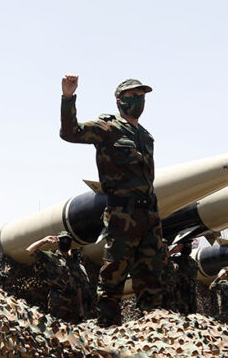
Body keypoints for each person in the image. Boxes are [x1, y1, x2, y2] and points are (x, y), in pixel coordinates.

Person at [60, 74, 163, 326]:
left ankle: (154, 332)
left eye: (142, 96)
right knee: (112, 281)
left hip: (149, 216)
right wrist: (68, 97)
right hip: (121, 216)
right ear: (120, 101)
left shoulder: (146, 136)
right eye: (134, 96)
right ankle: (108, 333)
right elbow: (70, 132)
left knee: (152, 281)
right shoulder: (108, 128)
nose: (140, 100)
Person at [25, 231, 90, 323]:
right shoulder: (51, 257)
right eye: (63, 240)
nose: (65, 242)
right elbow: (29, 250)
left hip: (73, 301)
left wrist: (80, 307)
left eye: (67, 240)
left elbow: (77, 285)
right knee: (59, 328)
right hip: (58, 301)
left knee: (75, 329)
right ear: (58, 241)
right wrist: (44, 240)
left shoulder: (73, 262)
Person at [161, 239, 199, 314]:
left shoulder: (193, 263)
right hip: (177, 302)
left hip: (190, 300)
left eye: (190, 245)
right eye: (187, 245)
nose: (189, 247)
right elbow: (163, 260)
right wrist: (173, 251)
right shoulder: (174, 261)